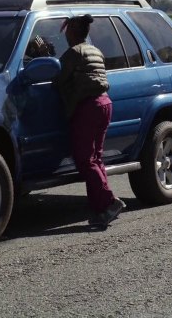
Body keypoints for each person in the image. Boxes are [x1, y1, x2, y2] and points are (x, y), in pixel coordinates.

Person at [53, 14, 125, 227]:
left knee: (85, 160)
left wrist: (46, 56)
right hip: (104, 104)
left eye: (67, 31)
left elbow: (57, 81)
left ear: (72, 32)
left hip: (87, 108)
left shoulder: (74, 53)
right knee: (96, 158)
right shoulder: (95, 50)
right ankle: (101, 209)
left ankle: (109, 202)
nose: (65, 35)